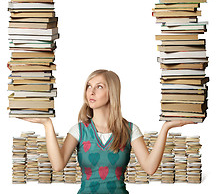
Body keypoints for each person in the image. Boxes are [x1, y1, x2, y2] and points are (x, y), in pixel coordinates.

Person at [22, 69, 195, 193]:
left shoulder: (130, 130)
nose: (91, 91)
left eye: (99, 86)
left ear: (111, 92)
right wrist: (47, 125)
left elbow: (150, 168)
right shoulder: (79, 130)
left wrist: (166, 128)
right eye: (89, 86)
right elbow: (58, 165)